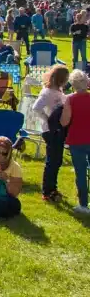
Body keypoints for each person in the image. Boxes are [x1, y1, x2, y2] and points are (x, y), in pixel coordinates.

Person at [35, 64, 69, 202]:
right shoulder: (47, 92)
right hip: (50, 131)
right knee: (52, 161)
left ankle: (52, 187)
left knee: (57, 160)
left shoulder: (58, 91)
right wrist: (47, 119)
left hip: (58, 129)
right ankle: (47, 190)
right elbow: (36, 107)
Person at [60, 69, 90, 214]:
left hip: (77, 139)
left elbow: (65, 122)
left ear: (72, 84)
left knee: (81, 173)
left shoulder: (70, 99)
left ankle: (83, 204)